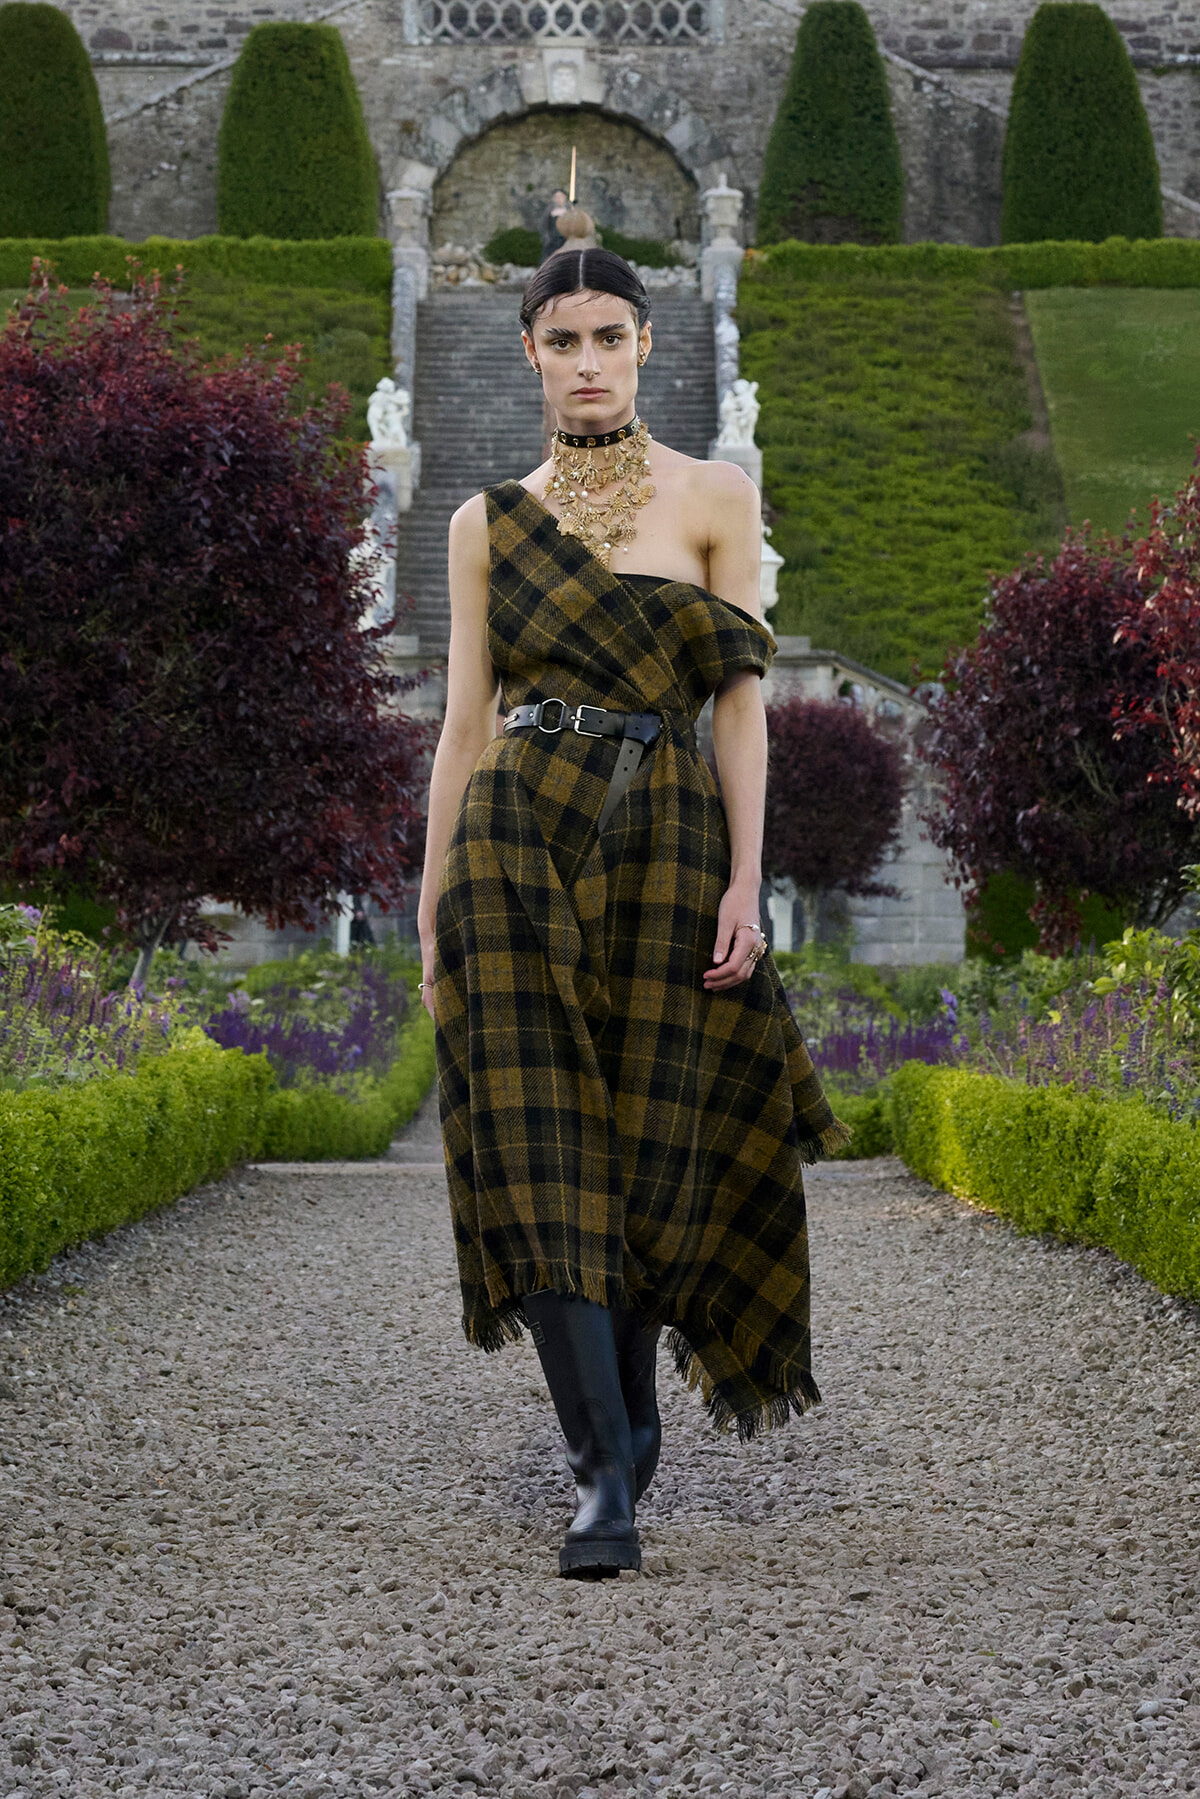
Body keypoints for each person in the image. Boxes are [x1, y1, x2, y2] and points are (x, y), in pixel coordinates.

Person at [416, 248, 847, 1581]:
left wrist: (746, 880)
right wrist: (431, 903)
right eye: (564, 339)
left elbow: (738, 707)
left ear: (649, 345)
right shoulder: (486, 520)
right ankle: (602, 1470)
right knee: (542, 1154)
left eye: (611, 334)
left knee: (660, 1139)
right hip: (513, 846)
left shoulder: (715, 495)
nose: (589, 358)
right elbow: (463, 723)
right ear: (531, 354)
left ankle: (633, 1406)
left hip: (666, 841)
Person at [540, 189, 568, 263]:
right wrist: (547, 238)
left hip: (566, 242)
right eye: (556, 197)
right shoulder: (549, 211)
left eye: (561, 197)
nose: (558, 199)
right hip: (552, 242)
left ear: (565, 197)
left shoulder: (569, 211)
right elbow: (544, 226)